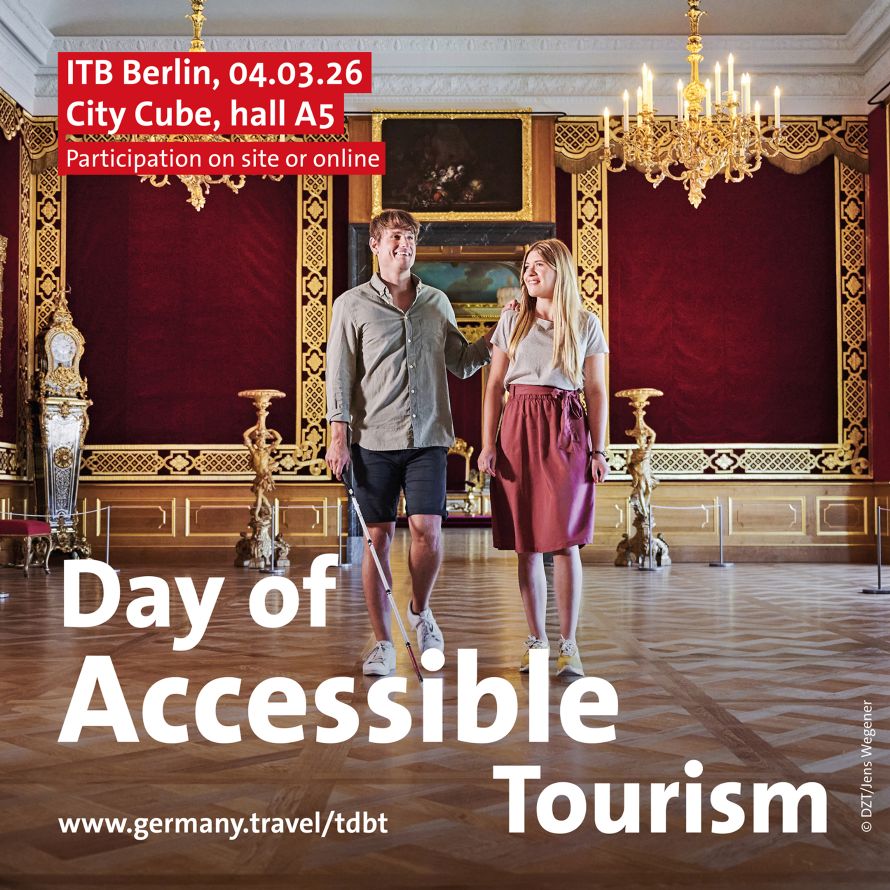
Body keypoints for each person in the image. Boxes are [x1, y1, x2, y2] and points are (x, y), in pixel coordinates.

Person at [326, 209, 496, 676]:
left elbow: (462, 362)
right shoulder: (351, 305)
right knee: (378, 539)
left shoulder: (437, 302)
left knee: (428, 531)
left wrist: (496, 335)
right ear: (376, 245)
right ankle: (383, 643)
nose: (406, 245)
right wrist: (338, 437)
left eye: (412, 239)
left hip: (428, 438)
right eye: (397, 237)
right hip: (372, 440)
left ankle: (420, 611)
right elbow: (339, 376)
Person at [477, 238, 609, 678]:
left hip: (566, 428)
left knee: (566, 541)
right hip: (518, 425)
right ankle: (536, 639)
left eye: (539, 265)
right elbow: (493, 385)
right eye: (527, 266)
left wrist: (599, 449)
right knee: (527, 543)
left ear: (560, 272)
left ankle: (570, 645)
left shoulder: (586, 323)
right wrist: (488, 443)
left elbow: (596, 390)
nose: (529, 272)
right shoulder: (512, 319)